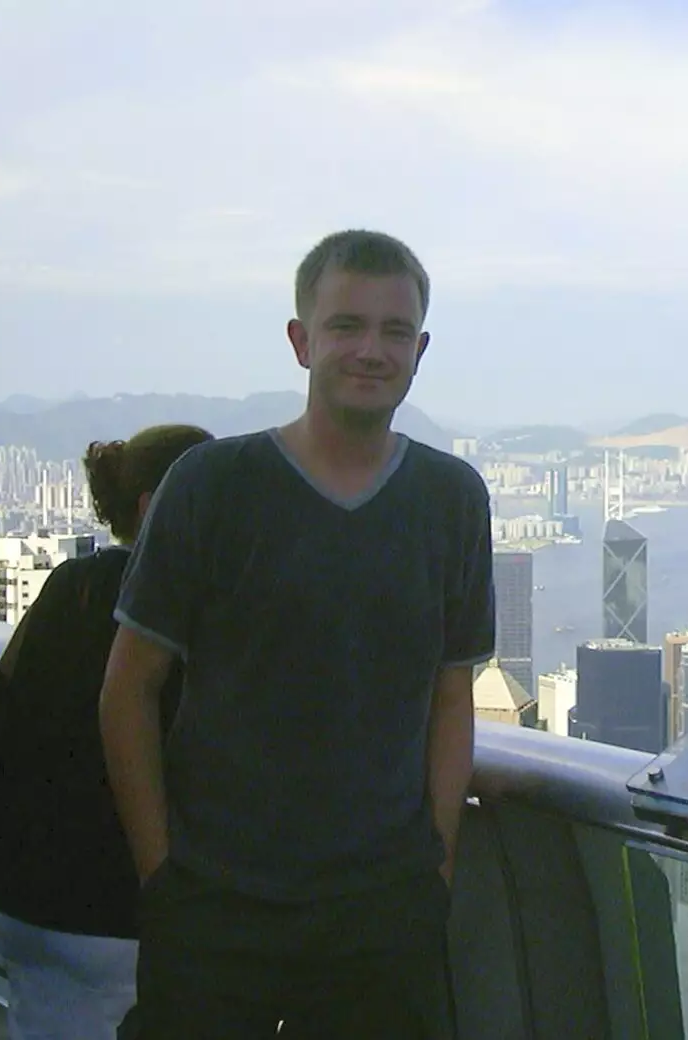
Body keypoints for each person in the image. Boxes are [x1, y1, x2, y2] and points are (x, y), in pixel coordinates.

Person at [101, 230, 494, 1039]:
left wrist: (435, 870)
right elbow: (127, 688)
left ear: (420, 350)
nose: (370, 349)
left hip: (381, 912)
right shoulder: (214, 485)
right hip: (216, 903)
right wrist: (163, 876)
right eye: (346, 325)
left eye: (394, 331)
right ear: (300, 340)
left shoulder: (452, 499)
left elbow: (452, 695)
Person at [0, 425, 211, 1040]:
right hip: (122, 912)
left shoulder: (67, 589)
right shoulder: (193, 612)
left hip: (21, 897)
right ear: (158, 506)